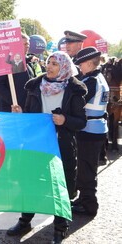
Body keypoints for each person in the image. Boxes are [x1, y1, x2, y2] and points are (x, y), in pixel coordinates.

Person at [9, 51, 87, 244]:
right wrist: (21, 114)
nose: (50, 66)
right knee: (31, 183)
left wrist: (65, 120)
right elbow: (30, 116)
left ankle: (60, 228)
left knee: (61, 187)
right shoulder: (35, 86)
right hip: (37, 144)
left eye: (55, 64)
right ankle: (25, 221)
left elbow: (81, 122)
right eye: (48, 62)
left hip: (63, 146)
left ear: (64, 67)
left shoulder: (75, 90)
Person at [72, 47, 109, 217]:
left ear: (88, 63)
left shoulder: (92, 81)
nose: (79, 67)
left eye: (80, 64)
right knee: (86, 167)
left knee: (87, 169)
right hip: (95, 129)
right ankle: (83, 198)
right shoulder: (96, 77)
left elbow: (78, 103)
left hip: (90, 131)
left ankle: (89, 205)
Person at [0, 33, 35, 111]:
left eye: (28, 44)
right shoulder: (6, 63)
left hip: (25, 110)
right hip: (10, 110)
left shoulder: (29, 64)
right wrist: (14, 102)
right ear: (16, 45)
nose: (27, 46)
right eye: (25, 44)